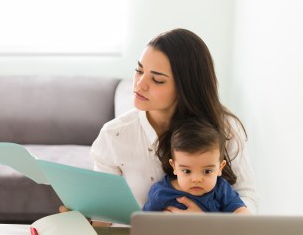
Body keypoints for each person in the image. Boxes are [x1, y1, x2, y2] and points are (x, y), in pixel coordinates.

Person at [89, 28, 259, 215]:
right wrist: (85, 217)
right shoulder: (114, 135)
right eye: (139, 71)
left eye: (157, 80)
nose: (140, 84)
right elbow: (105, 214)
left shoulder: (226, 129)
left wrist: (209, 223)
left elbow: (247, 197)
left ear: (186, 87)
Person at [142, 117, 250, 214]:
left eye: (207, 171)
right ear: (174, 166)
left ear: (220, 168)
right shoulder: (161, 193)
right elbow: (144, 223)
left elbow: (241, 211)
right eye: (187, 171)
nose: (196, 179)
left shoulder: (221, 189)